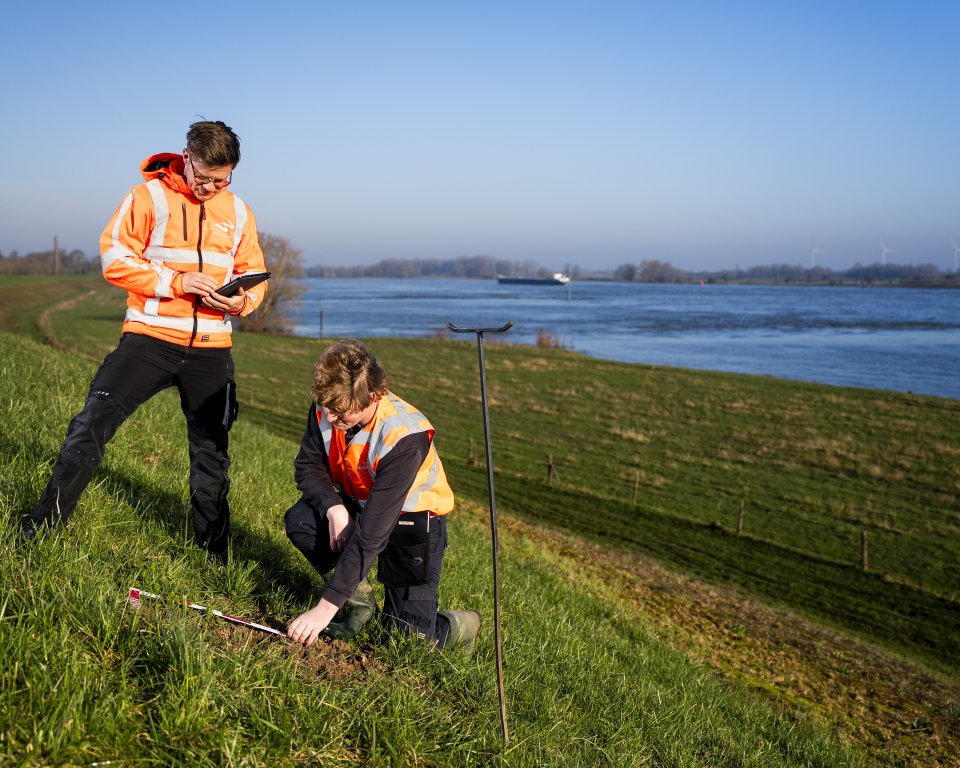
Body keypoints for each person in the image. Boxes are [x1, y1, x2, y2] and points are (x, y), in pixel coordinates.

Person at [24, 120, 268, 564]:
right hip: (148, 339)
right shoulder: (146, 197)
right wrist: (177, 282)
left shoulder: (239, 211)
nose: (212, 188)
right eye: (204, 177)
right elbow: (114, 259)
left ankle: (214, 558)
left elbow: (253, 273)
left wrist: (242, 301)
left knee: (212, 452)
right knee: (91, 424)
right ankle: (42, 528)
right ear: (186, 157)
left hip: (213, 347)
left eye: (223, 179)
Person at [285, 339, 481, 651]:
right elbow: (308, 467)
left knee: (408, 643)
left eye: (340, 411)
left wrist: (323, 610)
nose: (330, 418)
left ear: (373, 396)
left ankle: (463, 624)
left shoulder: (404, 436)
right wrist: (334, 508)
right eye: (327, 407)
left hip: (413, 527)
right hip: (358, 506)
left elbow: (371, 535)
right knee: (303, 519)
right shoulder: (328, 406)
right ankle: (359, 605)